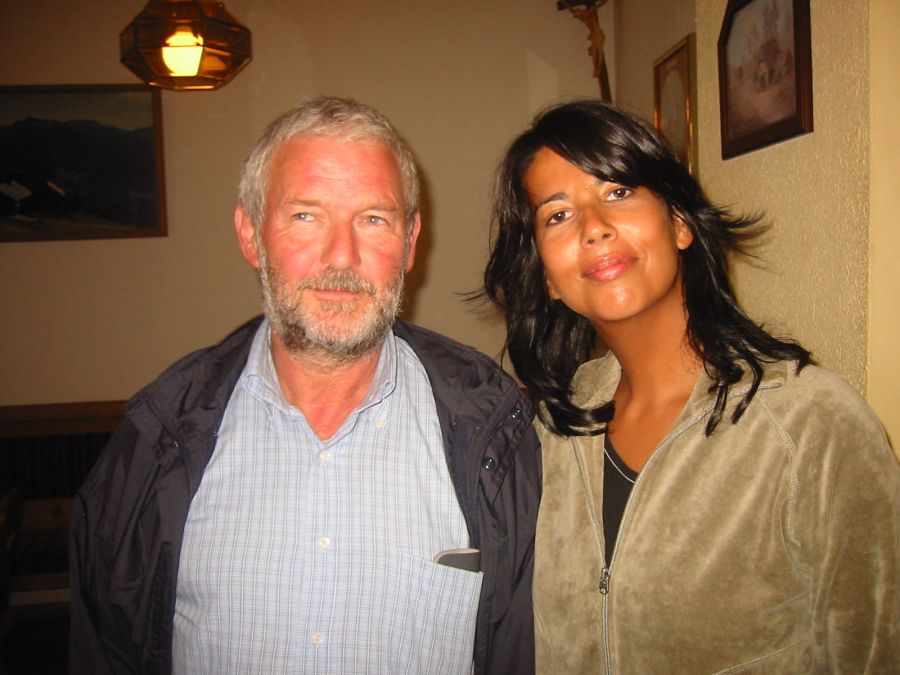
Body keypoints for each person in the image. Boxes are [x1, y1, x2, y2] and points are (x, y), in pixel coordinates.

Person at [70, 96, 540, 675]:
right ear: (251, 235)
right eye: (305, 216)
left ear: (410, 242)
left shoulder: (497, 436)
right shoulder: (153, 441)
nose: (342, 256)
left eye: (373, 219)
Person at [483, 99, 899, 673]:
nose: (594, 227)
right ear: (546, 276)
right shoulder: (551, 430)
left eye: (618, 192)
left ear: (679, 223)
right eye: (557, 215)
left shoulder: (812, 425)